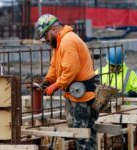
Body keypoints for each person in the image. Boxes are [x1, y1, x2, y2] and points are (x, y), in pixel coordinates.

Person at [36, 14, 98, 150]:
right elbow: (54, 67)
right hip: (78, 95)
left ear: (53, 29)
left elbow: (71, 70)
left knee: (82, 136)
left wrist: (57, 85)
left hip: (82, 97)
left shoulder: (67, 41)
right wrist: (47, 81)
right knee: (88, 134)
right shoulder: (59, 43)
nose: (45, 40)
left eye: (45, 36)